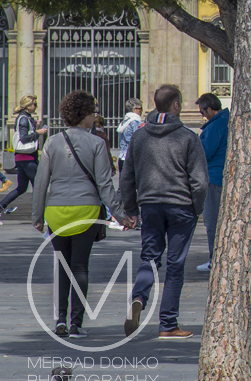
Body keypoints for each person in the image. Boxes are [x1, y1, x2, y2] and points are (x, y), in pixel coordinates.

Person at [31, 91, 135, 338]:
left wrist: (37, 216)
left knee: (61, 265)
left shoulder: (52, 142)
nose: (94, 117)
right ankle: (76, 323)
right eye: (93, 113)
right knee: (80, 266)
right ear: (85, 115)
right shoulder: (97, 143)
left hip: (56, 212)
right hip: (86, 210)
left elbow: (41, 181)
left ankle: (59, 321)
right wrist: (120, 216)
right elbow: (105, 185)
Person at [122, 84, 209, 340]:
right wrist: (197, 207)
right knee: (175, 265)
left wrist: (130, 208)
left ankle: (138, 297)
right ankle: (168, 324)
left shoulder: (139, 136)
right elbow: (200, 181)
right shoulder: (188, 137)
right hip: (181, 207)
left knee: (149, 258)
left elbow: (127, 176)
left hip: (150, 205)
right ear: (176, 105)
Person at [195, 92, 229, 273]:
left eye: (202, 111)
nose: (202, 115)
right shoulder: (225, 120)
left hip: (214, 177)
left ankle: (214, 260)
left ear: (209, 109)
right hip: (220, 176)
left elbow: (204, 153)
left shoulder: (215, 126)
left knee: (212, 221)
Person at [1, 94, 48, 216]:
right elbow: (24, 138)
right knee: (38, 187)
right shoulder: (23, 119)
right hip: (27, 159)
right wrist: (38, 132)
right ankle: (42, 213)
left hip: (22, 158)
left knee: (22, 188)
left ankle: (1, 205)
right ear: (27, 106)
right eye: (34, 104)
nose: (36, 106)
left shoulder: (25, 117)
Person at [116, 98, 144, 174]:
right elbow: (138, 138)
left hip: (122, 156)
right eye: (140, 108)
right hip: (131, 158)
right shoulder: (135, 121)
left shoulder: (125, 121)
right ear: (134, 109)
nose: (141, 110)